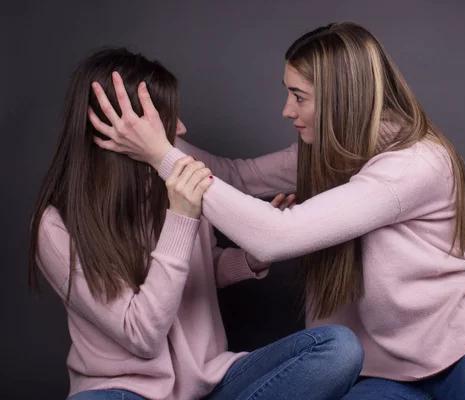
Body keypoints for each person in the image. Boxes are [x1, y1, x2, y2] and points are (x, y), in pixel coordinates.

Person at [89, 22, 465, 400]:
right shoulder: (321, 154)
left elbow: (274, 236)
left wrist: (159, 155)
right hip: (379, 367)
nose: (287, 110)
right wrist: (149, 132)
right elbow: (234, 175)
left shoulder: (416, 163)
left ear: (342, 97)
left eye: (299, 96)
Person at [29, 47, 364, 400]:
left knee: (338, 348)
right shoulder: (55, 225)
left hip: (212, 381)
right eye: (169, 118)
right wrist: (181, 215)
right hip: (123, 391)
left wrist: (250, 259)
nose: (183, 129)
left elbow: (200, 266)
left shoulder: (173, 176)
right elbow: (142, 336)